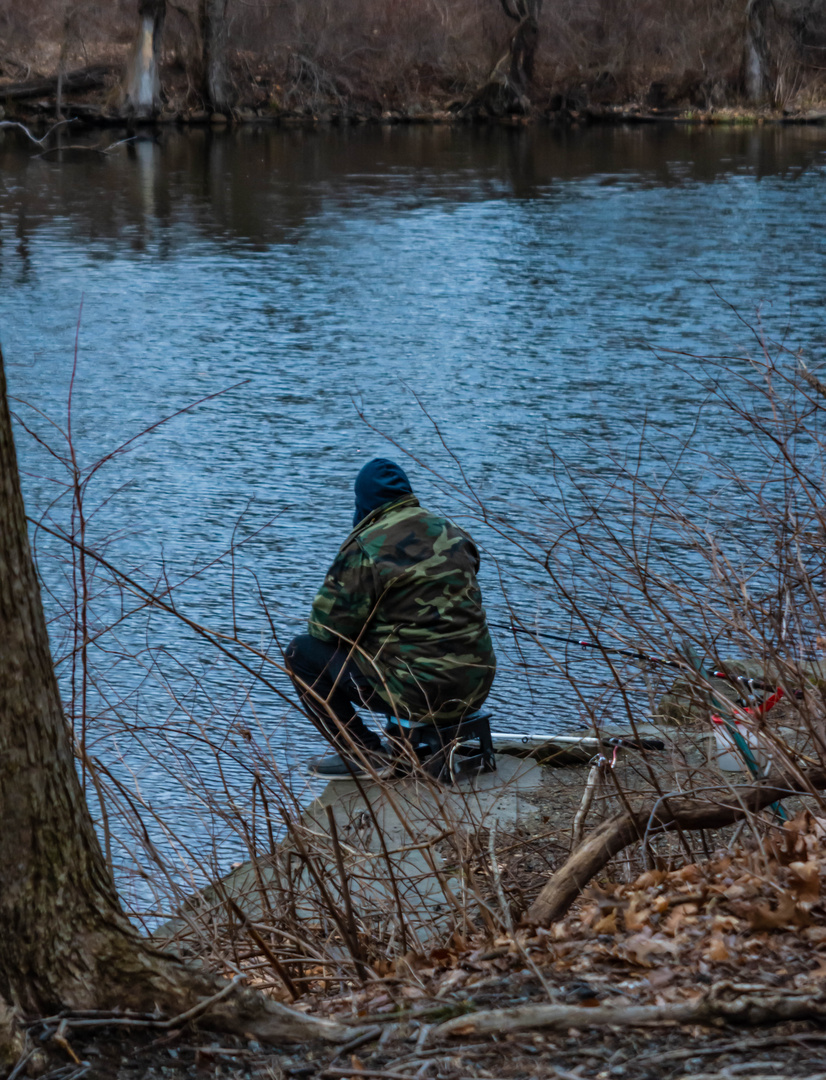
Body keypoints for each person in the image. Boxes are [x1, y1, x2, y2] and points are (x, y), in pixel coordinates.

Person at [285, 458, 496, 778]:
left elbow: (325, 629)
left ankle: (365, 754)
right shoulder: (453, 532)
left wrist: (366, 628)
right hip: (475, 684)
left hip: (419, 696)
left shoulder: (366, 545)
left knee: (300, 653)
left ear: (363, 501)